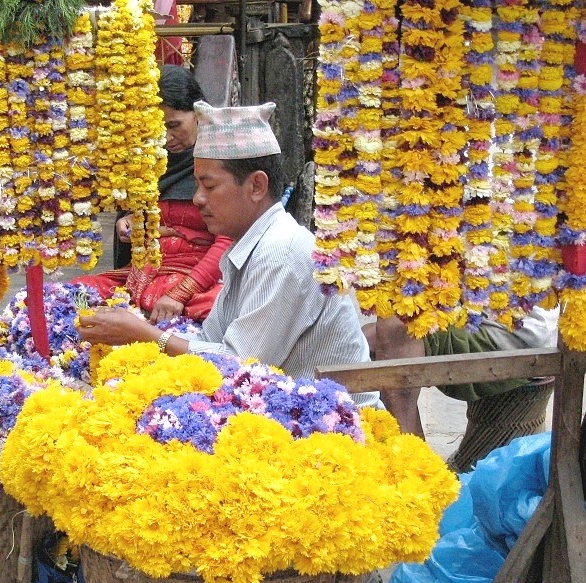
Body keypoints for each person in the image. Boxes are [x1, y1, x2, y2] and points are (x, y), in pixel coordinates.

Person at [78, 101, 381, 408]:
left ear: (256, 186)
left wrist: (146, 335)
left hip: (333, 427)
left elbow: (239, 367)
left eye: (209, 186)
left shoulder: (281, 252)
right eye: (197, 185)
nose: (197, 199)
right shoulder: (247, 246)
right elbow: (212, 344)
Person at [74, 65, 231, 323]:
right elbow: (141, 221)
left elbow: (228, 241)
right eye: (157, 128)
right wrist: (131, 224)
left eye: (174, 125)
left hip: (202, 276)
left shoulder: (220, 161)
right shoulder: (147, 162)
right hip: (143, 273)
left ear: (199, 114)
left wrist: (183, 291)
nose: (166, 138)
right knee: (68, 296)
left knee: (216, 308)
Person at [362, 307, 559, 437]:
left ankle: (409, 464)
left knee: (394, 327)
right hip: (497, 322)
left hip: (514, 336)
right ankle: (409, 454)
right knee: (364, 340)